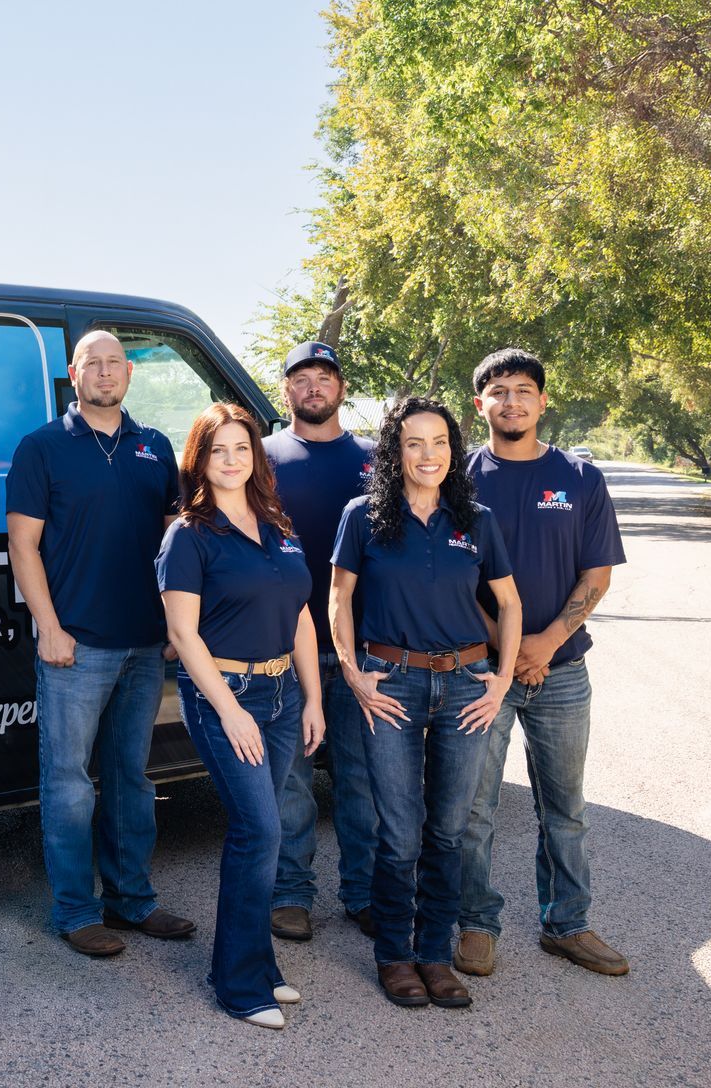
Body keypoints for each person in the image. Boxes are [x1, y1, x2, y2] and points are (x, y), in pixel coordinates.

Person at [7, 330, 196, 957]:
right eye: (95, 363)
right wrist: (50, 626)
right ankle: (74, 910)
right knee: (68, 783)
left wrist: (175, 627)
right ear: (73, 373)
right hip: (77, 647)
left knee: (130, 779)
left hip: (146, 644)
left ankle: (132, 902)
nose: (106, 373)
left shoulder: (155, 447)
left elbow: (176, 546)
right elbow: (22, 545)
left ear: (130, 375)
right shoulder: (43, 448)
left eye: (117, 363)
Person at [329, 397, 522, 1009]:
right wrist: (355, 674)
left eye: (438, 442)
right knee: (400, 835)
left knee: (449, 830)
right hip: (393, 685)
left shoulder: (478, 520)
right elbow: (338, 601)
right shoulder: (363, 517)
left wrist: (501, 681)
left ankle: (435, 956)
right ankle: (394, 956)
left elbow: (510, 606)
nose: (428, 455)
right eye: (414, 443)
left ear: (453, 450)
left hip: (468, 687)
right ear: (394, 452)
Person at [455, 349, 629, 978]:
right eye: (498, 392)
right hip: (480, 675)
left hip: (562, 670)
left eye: (524, 391)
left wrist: (546, 641)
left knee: (564, 807)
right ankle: (475, 924)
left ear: (542, 402)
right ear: (480, 405)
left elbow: (598, 573)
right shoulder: (458, 478)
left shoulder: (579, 478)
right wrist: (506, 649)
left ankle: (568, 924)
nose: (512, 402)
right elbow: (450, 574)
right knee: (472, 809)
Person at [158, 403, 325, 1029]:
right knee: (257, 830)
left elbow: (303, 616)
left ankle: (256, 964)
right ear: (198, 459)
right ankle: (238, 985)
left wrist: (311, 698)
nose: (231, 460)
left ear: (256, 456)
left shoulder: (278, 526)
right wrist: (229, 711)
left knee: (270, 828)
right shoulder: (190, 534)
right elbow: (183, 632)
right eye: (217, 450)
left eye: (242, 449)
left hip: (283, 696)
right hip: (225, 694)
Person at [263, 341, 378, 944]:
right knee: (291, 780)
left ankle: (363, 893)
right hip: (282, 649)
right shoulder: (258, 457)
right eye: (301, 378)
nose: (313, 386)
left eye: (324, 376)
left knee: (361, 779)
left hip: (362, 650)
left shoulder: (376, 457)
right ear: (287, 390)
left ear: (341, 386)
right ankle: (290, 894)